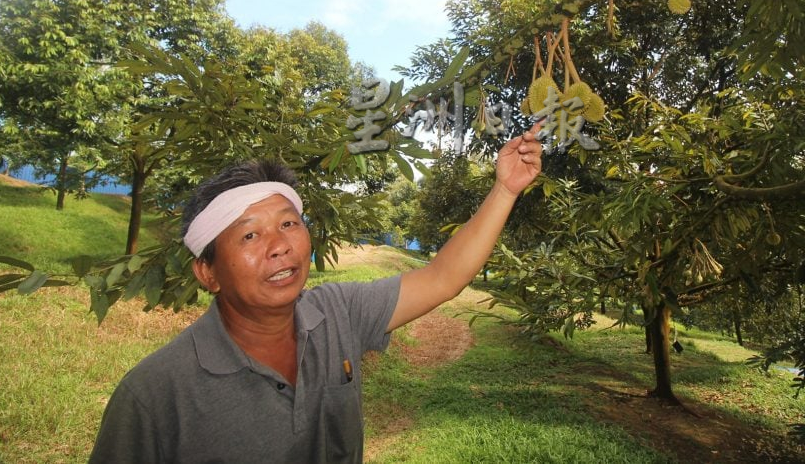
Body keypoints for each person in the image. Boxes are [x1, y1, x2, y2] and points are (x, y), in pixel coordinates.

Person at [89, 126, 543, 463]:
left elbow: (443, 277)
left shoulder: (336, 314)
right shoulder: (155, 395)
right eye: (249, 237)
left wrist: (504, 189)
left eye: (289, 224)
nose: (280, 245)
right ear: (208, 273)